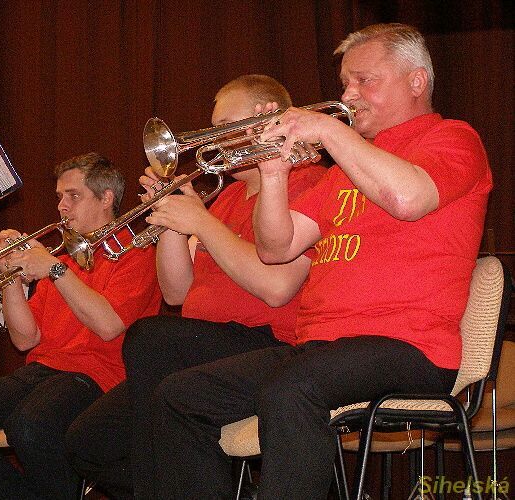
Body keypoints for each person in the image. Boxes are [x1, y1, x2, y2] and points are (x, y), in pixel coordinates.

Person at [148, 23, 493, 499]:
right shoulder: (343, 172)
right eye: (346, 83)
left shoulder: (452, 138)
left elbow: (407, 198)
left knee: (292, 386)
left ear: (416, 81)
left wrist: (328, 130)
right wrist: (274, 171)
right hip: (320, 346)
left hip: (409, 346)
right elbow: (277, 247)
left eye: (364, 80)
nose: (348, 95)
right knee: (179, 396)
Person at [65, 75, 326, 499]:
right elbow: (176, 293)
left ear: (265, 119)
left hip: (266, 344)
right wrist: (170, 216)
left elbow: (278, 288)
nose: (213, 139)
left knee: (152, 339)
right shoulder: (226, 198)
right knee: (88, 440)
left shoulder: (307, 183)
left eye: (223, 127)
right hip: (198, 348)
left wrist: (200, 221)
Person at [0, 153, 162, 500]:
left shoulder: (134, 253)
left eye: (73, 195)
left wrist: (53, 270)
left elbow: (109, 326)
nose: (62, 206)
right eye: (60, 196)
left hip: (98, 376)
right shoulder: (61, 260)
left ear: (106, 198)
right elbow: (25, 339)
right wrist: (9, 275)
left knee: (31, 424)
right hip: (40, 371)